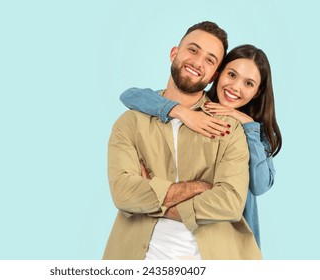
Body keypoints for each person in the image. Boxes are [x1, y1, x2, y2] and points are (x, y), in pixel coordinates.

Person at [103, 21, 262, 260]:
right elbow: (124, 194)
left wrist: (154, 197)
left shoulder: (229, 127)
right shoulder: (130, 123)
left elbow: (230, 203)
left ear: (214, 75)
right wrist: (199, 187)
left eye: (210, 60)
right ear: (174, 53)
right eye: (193, 50)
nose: (198, 62)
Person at [119, 44, 282, 248]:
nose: (235, 87)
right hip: (170, 237)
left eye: (249, 83)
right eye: (231, 75)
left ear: (257, 92)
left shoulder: (258, 132)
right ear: (217, 74)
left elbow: (259, 185)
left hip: (224, 237)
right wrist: (181, 112)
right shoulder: (194, 106)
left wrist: (248, 125)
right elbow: (130, 95)